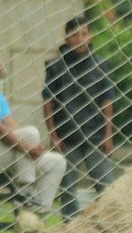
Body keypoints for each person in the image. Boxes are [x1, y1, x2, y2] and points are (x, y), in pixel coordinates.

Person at [0, 43, 66, 233]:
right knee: (30, 134)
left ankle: (33, 217)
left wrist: (31, 146)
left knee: (57, 162)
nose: (1, 63)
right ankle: (24, 191)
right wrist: (28, 145)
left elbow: (14, 129)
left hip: (3, 153)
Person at [42, 16, 116, 222]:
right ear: (66, 38)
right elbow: (48, 101)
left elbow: (107, 100)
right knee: (67, 188)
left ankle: (109, 222)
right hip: (67, 137)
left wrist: (108, 134)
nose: (80, 39)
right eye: (74, 35)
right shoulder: (55, 67)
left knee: (106, 184)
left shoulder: (101, 65)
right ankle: (70, 226)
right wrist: (53, 135)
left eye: (84, 33)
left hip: (95, 135)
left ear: (90, 36)